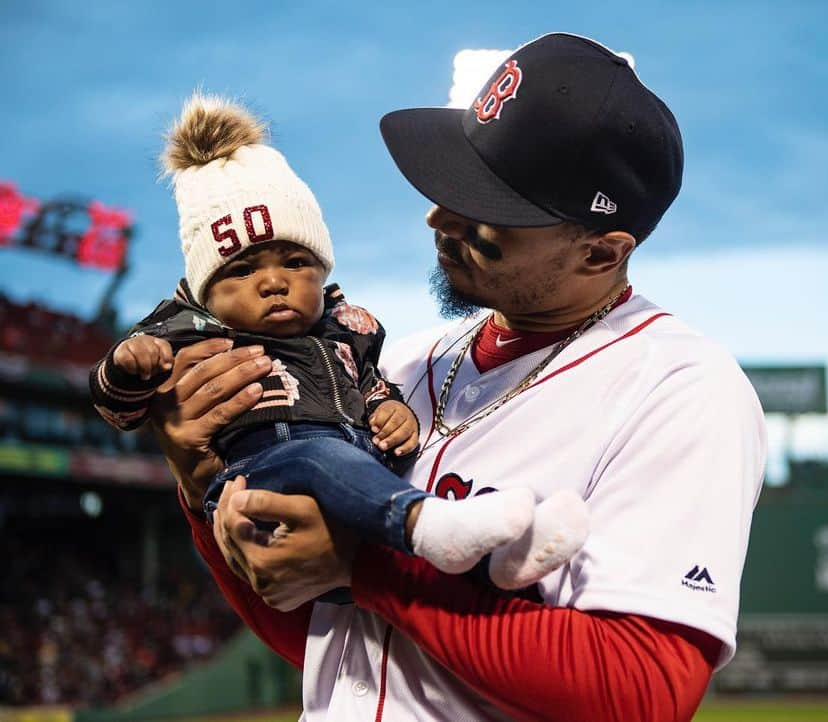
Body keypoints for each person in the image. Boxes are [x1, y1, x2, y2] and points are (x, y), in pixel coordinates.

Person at [154, 33, 767, 721]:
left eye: (487, 211)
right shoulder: (399, 363)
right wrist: (203, 480)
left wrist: (368, 563)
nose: (439, 217)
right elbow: (338, 641)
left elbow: (637, 691)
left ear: (600, 251)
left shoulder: (679, 388)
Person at [91, 93, 588, 596]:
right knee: (319, 458)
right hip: (265, 477)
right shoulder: (187, 329)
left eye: (294, 262)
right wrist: (127, 368)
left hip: (349, 486)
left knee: (367, 489)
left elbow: (371, 387)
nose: (273, 283)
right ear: (205, 291)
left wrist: (392, 411)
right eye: (241, 271)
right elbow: (119, 406)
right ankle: (436, 526)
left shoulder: (347, 331)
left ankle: (494, 567)